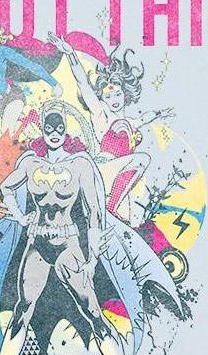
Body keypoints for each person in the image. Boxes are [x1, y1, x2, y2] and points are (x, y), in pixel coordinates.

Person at [0, 105, 146, 355]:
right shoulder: (30, 163)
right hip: (37, 244)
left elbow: (95, 212)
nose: (54, 133)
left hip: (69, 246)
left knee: (94, 315)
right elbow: (6, 189)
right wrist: (21, 216)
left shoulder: (80, 164)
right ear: (42, 129)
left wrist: (92, 257)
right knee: (22, 312)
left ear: (66, 130)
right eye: (49, 127)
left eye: (59, 127)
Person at [48, 35, 172, 222]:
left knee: (127, 224)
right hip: (102, 170)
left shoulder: (130, 122)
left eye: (117, 94)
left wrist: (161, 113)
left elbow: (144, 118)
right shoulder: (101, 116)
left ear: (125, 94)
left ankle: (110, 209)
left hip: (119, 181)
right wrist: (71, 53)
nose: (114, 100)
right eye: (108, 96)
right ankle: (109, 209)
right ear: (102, 98)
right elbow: (83, 83)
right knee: (143, 159)